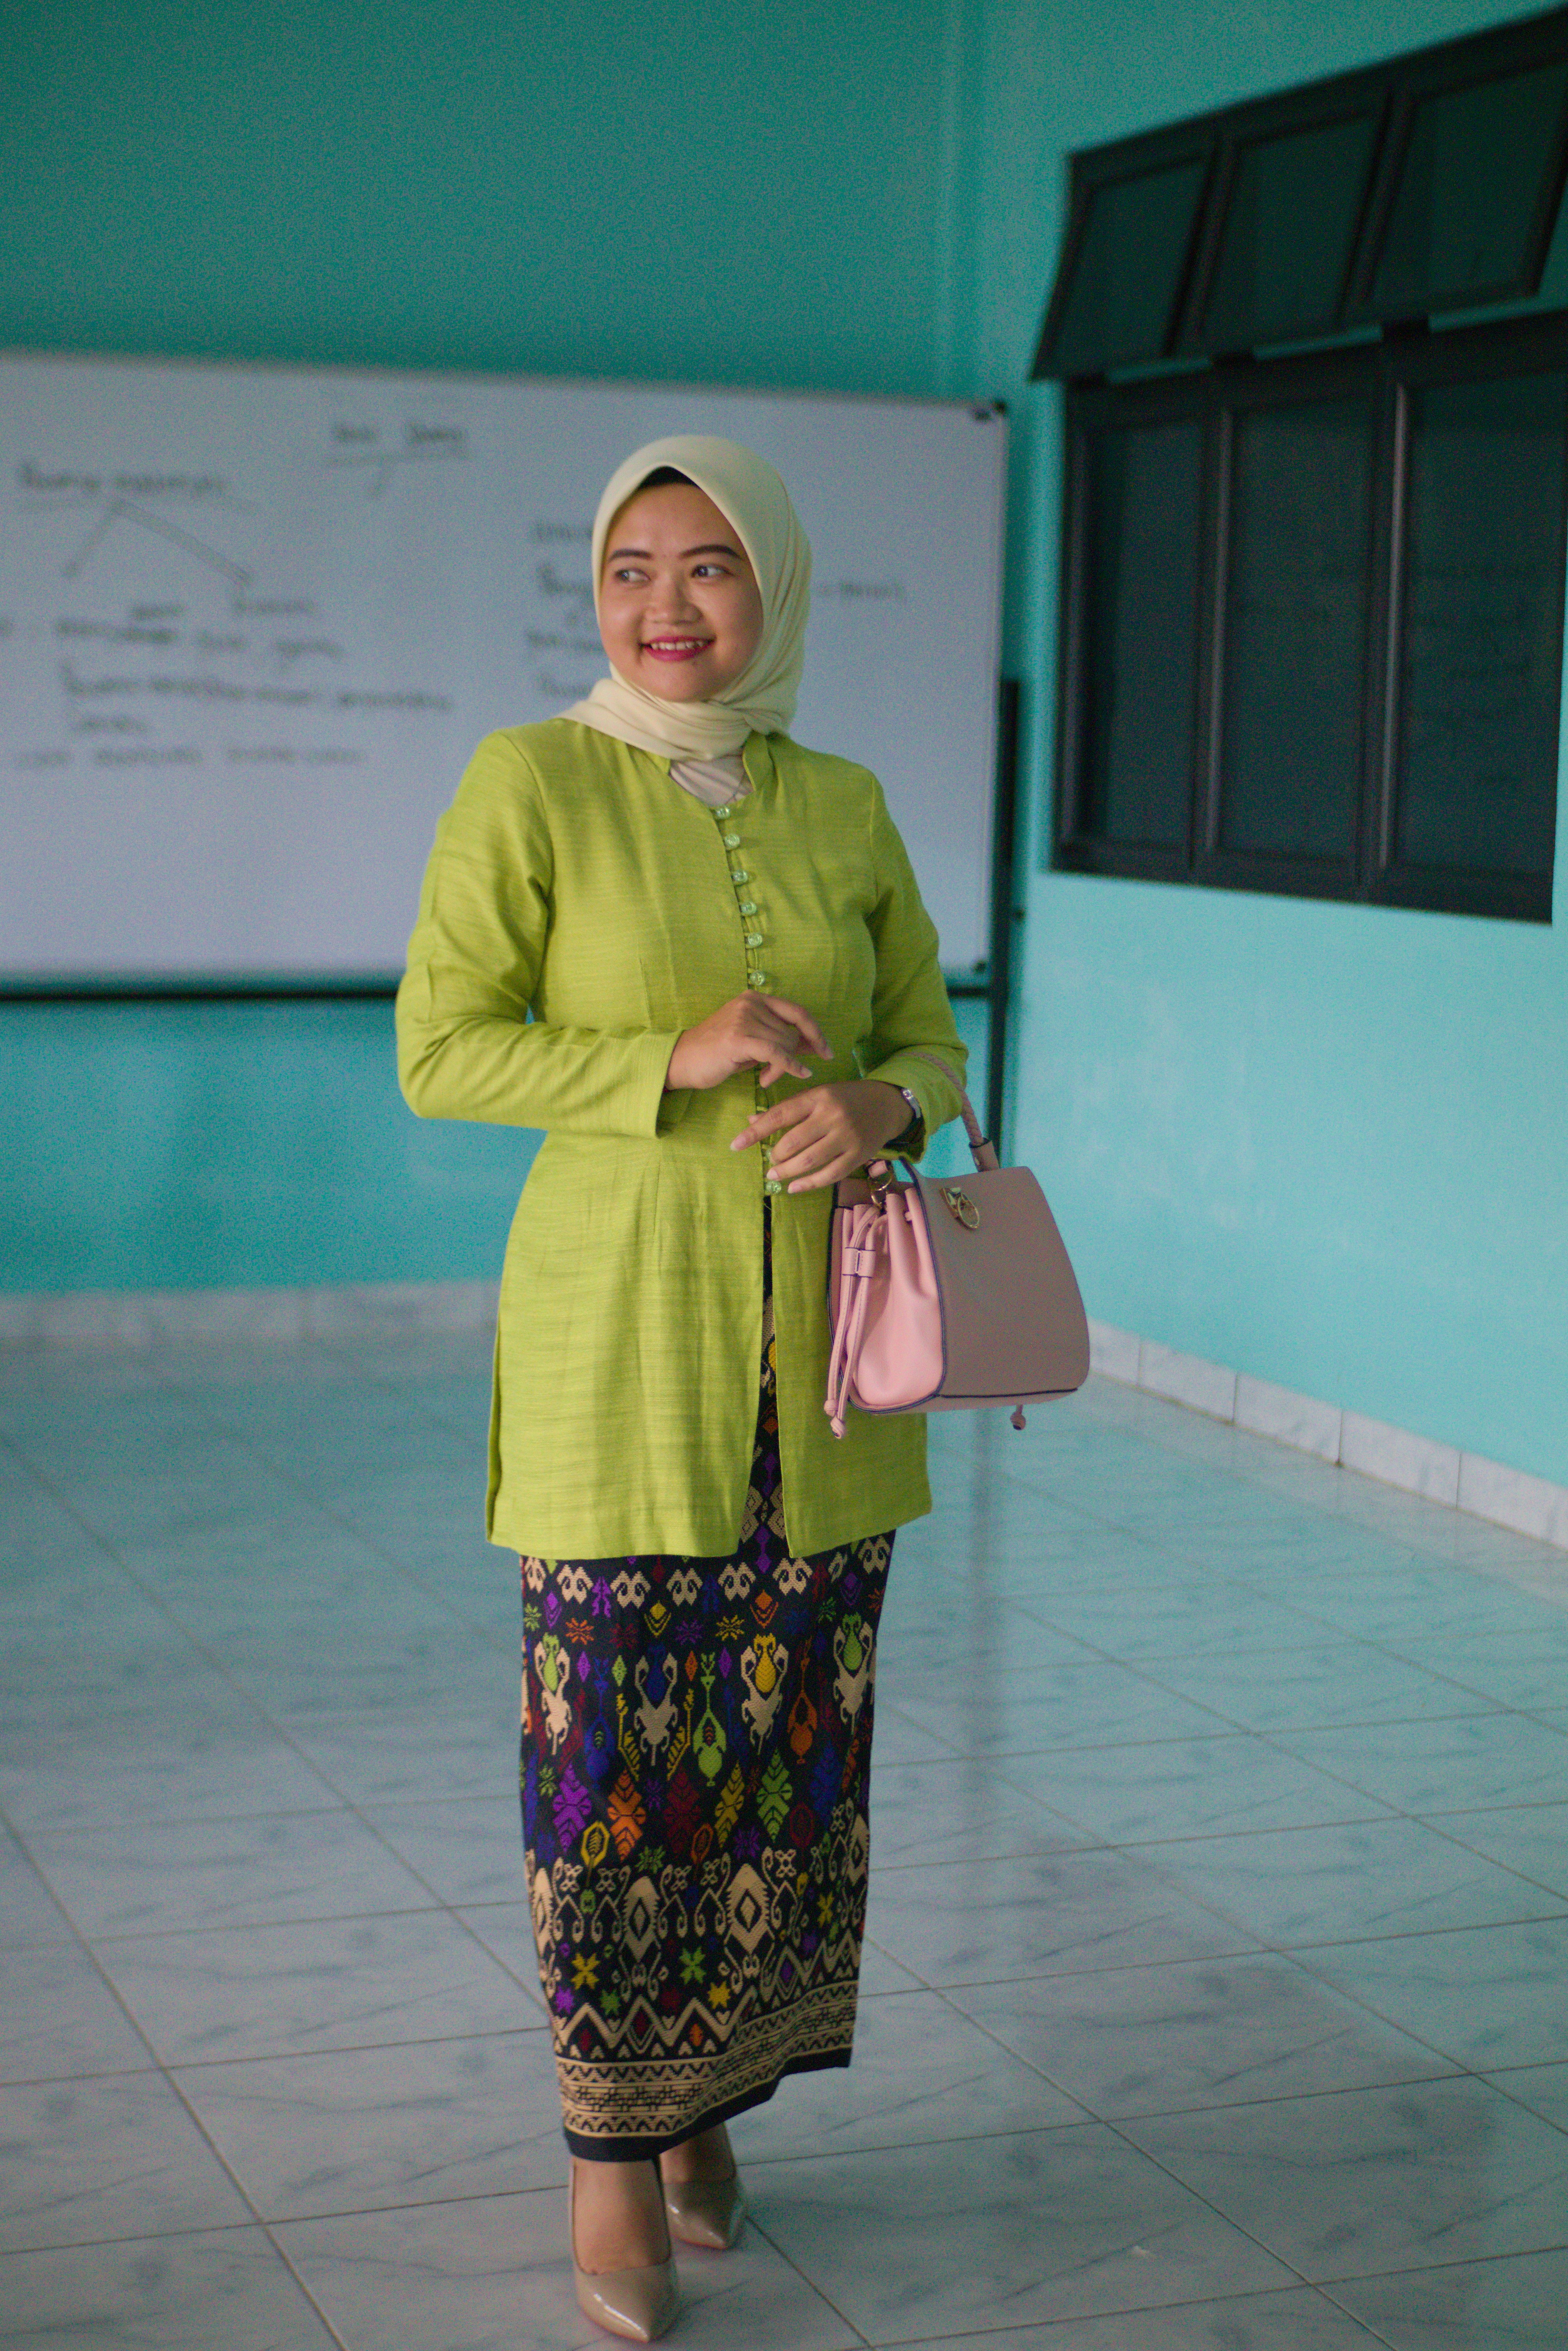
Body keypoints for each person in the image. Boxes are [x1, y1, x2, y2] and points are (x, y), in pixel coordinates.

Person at [397, 435, 966, 2342]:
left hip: (821, 1385)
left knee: (783, 1771)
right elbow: (444, 1050)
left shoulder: (845, 798)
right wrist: (674, 1051)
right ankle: (609, 2161)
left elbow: (928, 1030)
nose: (666, 606)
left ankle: (715, 2106)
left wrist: (883, 1099)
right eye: (634, 566)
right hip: (617, 1356)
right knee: (616, 1780)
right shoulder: (531, 781)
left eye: (710, 567)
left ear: (773, 588)